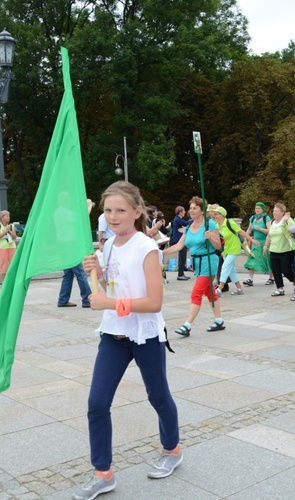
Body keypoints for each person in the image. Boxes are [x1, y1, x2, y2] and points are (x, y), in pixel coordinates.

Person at [73, 181, 181, 500]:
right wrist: (95, 271)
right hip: (113, 335)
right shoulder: (108, 246)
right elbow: (113, 282)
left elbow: (153, 302)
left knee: (158, 396)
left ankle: (172, 451)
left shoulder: (147, 248)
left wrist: (109, 303)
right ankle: (103, 474)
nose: (113, 216)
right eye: (108, 210)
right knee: (96, 403)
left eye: (121, 210)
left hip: (145, 334)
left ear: (137, 212)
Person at [163, 196, 224, 336]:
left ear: (202, 210)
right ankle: (219, 320)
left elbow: (218, 246)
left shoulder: (210, 225)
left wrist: (211, 237)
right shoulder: (189, 226)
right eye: (190, 208)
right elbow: (179, 245)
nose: (191, 211)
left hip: (209, 261)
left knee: (196, 292)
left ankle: (187, 325)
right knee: (209, 292)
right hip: (197, 263)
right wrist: (161, 252)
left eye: (195, 208)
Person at [210, 206, 255, 296]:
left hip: (234, 248)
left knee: (225, 267)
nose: (215, 216)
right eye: (214, 214)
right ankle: (239, 288)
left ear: (222, 215)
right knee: (231, 270)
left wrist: (251, 239)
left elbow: (241, 232)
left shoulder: (229, 222)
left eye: (217, 214)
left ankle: (219, 289)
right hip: (226, 250)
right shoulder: (217, 226)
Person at [58, 199, 94, 309]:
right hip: (71, 244)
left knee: (68, 274)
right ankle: (87, 299)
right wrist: (89, 205)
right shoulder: (66, 212)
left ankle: (63, 299)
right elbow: (82, 218)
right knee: (80, 273)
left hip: (63, 244)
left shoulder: (58, 212)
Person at [263, 203, 295, 297]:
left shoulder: (287, 220)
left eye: (276, 211)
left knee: (286, 270)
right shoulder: (272, 222)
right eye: (274, 210)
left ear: (282, 212)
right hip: (273, 250)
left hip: (286, 250)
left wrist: (286, 226)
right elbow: (269, 235)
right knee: (276, 270)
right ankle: (280, 289)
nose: (274, 213)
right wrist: (265, 246)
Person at [243, 202, 273, 286]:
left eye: (259, 208)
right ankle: (250, 278)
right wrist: (246, 238)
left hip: (265, 242)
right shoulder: (252, 218)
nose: (257, 210)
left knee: (267, 259)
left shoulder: (266, 218)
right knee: (252, 258)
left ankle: (271, 278)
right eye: (256, 208)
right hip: (255, 243)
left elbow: (270, 230)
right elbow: (249, 229)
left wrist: (260, 229)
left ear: (262, 209)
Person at [0, 210, 18, 280]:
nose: (8, 217)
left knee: (13, 264)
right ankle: (4, 282)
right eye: (7, 216)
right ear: (2, 218)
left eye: (9, 216)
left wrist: (9, 231)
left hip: (12, 247)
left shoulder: (11, 226)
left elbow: (15, 237)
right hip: (2, 248)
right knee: (4, 266)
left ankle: (13, 280)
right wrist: (5, 231)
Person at [170, 206, 191, 280]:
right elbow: (186, 223)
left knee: (182, 257)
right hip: (180, 241)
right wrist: (193, 219)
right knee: (182, 257)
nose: (185, 212)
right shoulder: (178, 219)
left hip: (179, 240)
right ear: (180, 212)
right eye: (184, 211)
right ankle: (180, 274)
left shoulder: (177, 219)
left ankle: (181, 273)